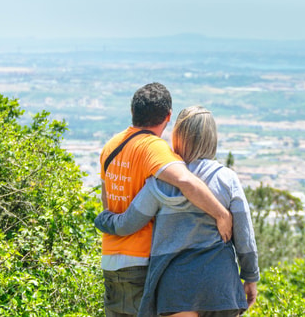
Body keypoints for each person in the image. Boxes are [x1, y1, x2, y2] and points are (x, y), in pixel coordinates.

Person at [95, 105, 259, 317]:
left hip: (176, 286)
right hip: (221, 283)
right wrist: (250, 277)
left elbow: (127, 224)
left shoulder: (161, 181)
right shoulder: (227, 179)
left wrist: (102, 218)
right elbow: (245, 237)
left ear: (178, 136)